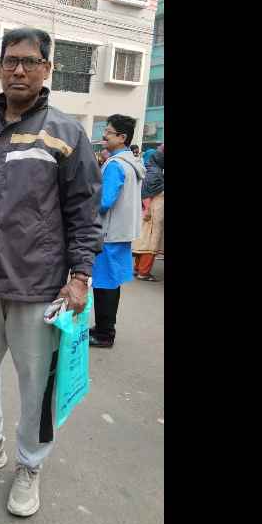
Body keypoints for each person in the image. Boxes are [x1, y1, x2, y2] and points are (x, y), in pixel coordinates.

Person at [0, 27, 103, 517]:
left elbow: (84, 212)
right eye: (10, 60)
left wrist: (80, 276)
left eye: (30, 62)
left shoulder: (65, 133)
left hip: (39, 287)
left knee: (38, 386)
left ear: (46, 69)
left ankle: (30, 464)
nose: (18, 69)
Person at [89, 114, 144, 348]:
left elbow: (103, 202)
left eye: (109, 132)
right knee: (112, 283)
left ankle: (104, 334)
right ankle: (104, 328)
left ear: (122, 137)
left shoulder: (115, 165)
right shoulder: (132, 162)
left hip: (109, 234)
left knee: (104, 285)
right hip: (122, 232)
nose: (104, 135)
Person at [133, 144, 164, 281]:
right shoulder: (155, 174)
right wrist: (147, 210)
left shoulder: (150, 170)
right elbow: (146, 193)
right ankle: (143, 272)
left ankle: (138, 268)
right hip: (152, 213)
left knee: (144, 241)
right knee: (151, 242)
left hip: (148, 212)